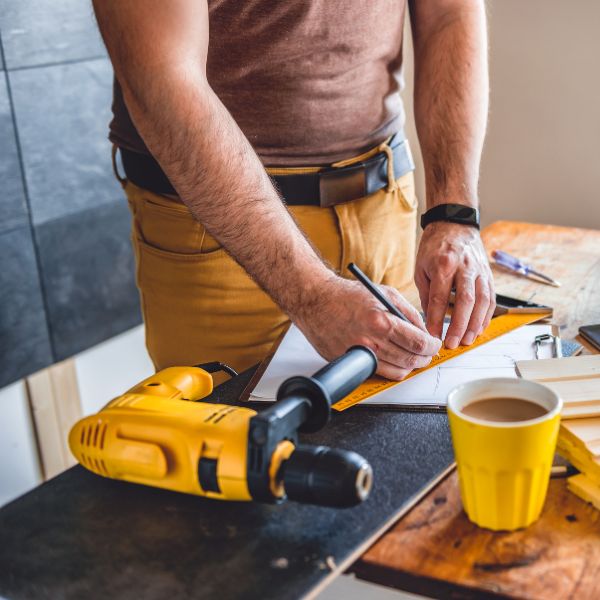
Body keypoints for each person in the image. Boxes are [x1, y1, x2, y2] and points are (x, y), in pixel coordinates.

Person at [93, 0, 495, 381]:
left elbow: (449, 12)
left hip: (384, 206)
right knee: (243, 443)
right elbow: (162, 80)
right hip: (219, 229)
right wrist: (313, 296)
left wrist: (453, 213)